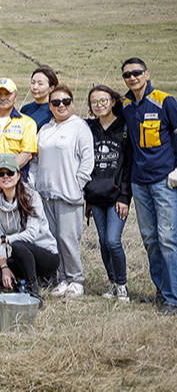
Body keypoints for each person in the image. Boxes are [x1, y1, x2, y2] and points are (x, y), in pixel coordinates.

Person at [120, 57, 177, 315]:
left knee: (168, 238)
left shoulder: (165, 101)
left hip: (165, 181)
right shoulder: (127, 106)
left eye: (136, 73)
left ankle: (173, 298)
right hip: (139, 182)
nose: (132, 78)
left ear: (147, 73)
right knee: (151, 239)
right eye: (127, 75)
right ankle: (162, 291)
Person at [30, 85, 94, 298]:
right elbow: (35, 160)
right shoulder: (46, 129)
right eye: (56, 103)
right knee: (54, 239)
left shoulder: (79, 127)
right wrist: (34, 184)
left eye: (65, 101)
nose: (61, 106)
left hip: (69, 194)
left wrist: (78, 184)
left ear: (72, 103)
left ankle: (76, 279)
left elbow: (87, 161)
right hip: (46, 194)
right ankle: (63, 278)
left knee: (68, 239)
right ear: (50, 106)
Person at [0, 155, 59, 307]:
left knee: (19, 246)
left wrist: (5, 239)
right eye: (0, 174)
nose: (5, 177)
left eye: (10, 173)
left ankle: (34, 293)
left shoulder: (32, 196)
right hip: (21, 257)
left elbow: (31, 234)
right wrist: (4, 267)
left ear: (18, 175)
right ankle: (19, 282)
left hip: (46, 255)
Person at [84, 85, 132, 302]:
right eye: (94, 102)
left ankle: (122, 284)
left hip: (116, 195)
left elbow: (128, 165)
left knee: (113, 240)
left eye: (103, 100)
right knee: (103, 241)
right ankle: (112, 282)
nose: (99, 105)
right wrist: (85, 197)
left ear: (113, 101)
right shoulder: (88, 128)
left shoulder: (125, 127)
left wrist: (124, 197)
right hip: (95, 194)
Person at [21, 65, 59, 131]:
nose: (35, 87)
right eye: (33, 83)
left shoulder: (56, 110)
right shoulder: (25, 110)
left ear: (51, 88)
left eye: (40, 84)